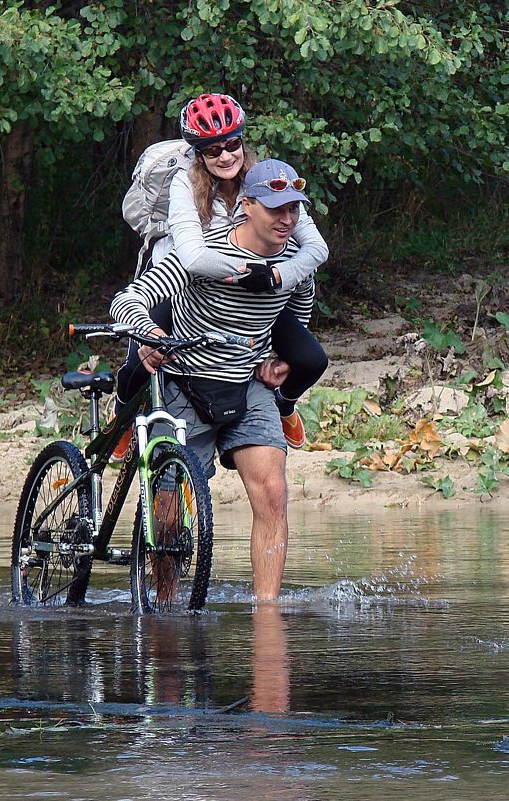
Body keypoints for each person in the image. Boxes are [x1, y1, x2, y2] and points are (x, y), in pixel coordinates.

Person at [110, 158, 319, 601]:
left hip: (247, 385)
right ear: (246, 206)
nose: (287, 220)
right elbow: (129, 300)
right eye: (276, 209)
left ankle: (268, 617)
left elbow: (298, 312)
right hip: (186, 382)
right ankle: (164, 612)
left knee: (273, 491)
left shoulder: (296, 265)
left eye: (294, 210)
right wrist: (149, 334)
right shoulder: (202, 254)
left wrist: (279, 357)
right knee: (168, 510)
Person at [113, 93, 328, 458]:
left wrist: (275, 277)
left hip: (257, 292)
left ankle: (284, 404)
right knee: (140, 362)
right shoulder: (184, 184)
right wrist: (247, 271)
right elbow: (193, 257)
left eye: (232, 144)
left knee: (311, 359)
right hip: (185, 284)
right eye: (213, 150)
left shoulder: (263, 182)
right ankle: (120, 415)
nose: (226, 156)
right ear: (198, 153)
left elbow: (316, 250)